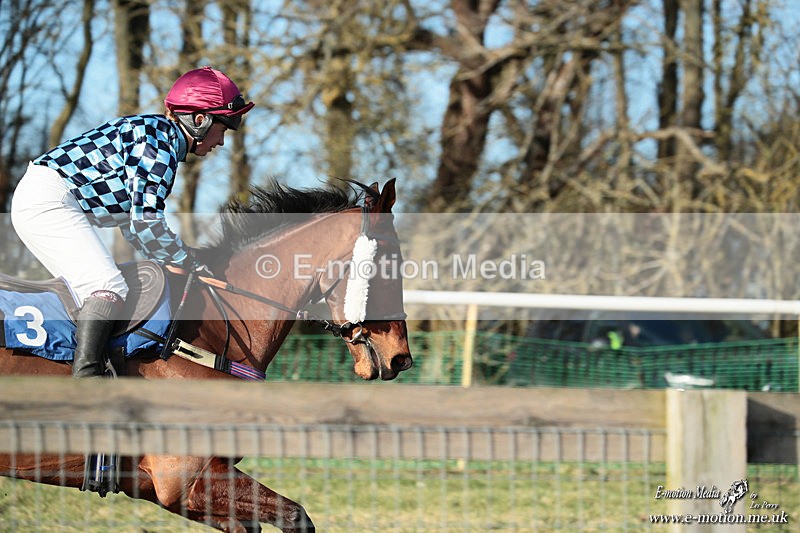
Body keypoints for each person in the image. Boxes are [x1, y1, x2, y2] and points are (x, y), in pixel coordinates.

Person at [11, 66, 254, 378]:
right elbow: (146, 224)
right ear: (200, 120)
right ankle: (88, 378)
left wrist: (173, 257)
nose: (221, 141)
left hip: (46, 196)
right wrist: (186, 258)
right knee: (106, 284)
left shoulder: (157, 136)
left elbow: (133, 225)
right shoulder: (159, 146)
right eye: (224, 127)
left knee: (97, 287)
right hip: (50, 200)